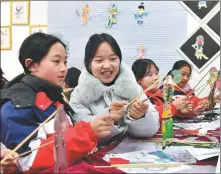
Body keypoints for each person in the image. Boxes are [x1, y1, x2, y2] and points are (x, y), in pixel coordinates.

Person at [0, 33, 117, 173]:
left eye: (65, 62)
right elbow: (28, 161)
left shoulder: (53, 97)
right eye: (56, 61)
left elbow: (65, 137)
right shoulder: (17, 105)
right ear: (31, 65)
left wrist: (90, 137)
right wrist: (87, 134)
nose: (63, 68)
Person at [69, 33, 160, 142]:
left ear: (119, 60)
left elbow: (152, 129)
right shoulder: (79, 95)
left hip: (133, 155)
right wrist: (110, 117)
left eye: (113, 59)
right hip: (98, 156)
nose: (107, 65)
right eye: (99, 60)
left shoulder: (133, 88)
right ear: (89, 64)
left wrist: (139, 117)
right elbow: (80, 132)